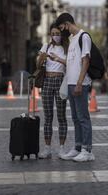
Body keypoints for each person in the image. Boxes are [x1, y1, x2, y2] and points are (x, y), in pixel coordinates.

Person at [55, 12, 94, 162]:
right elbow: (71, 62)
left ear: (67, 23)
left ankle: (87, 150)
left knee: (83, 117)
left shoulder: (84, 37)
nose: (62, 31)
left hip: (80, 84)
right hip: (70, 83)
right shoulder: (72, 39)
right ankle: (78, 147)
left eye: (62, 27)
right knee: (76, 118)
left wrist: (79, 82)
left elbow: (86, 61)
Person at [36, 23, 69, 159]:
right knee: (48, 117)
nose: (55, 36)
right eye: (53, 34)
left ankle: (61, 148)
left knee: (61, 116)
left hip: (61, 81)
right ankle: (47, 148)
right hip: (47, 81)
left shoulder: (67, 48)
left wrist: (58, 59)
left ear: (62, 35)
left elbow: (71, 64)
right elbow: (38, 65)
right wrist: (41, 58)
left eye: (57, 34)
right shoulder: (46, 46)